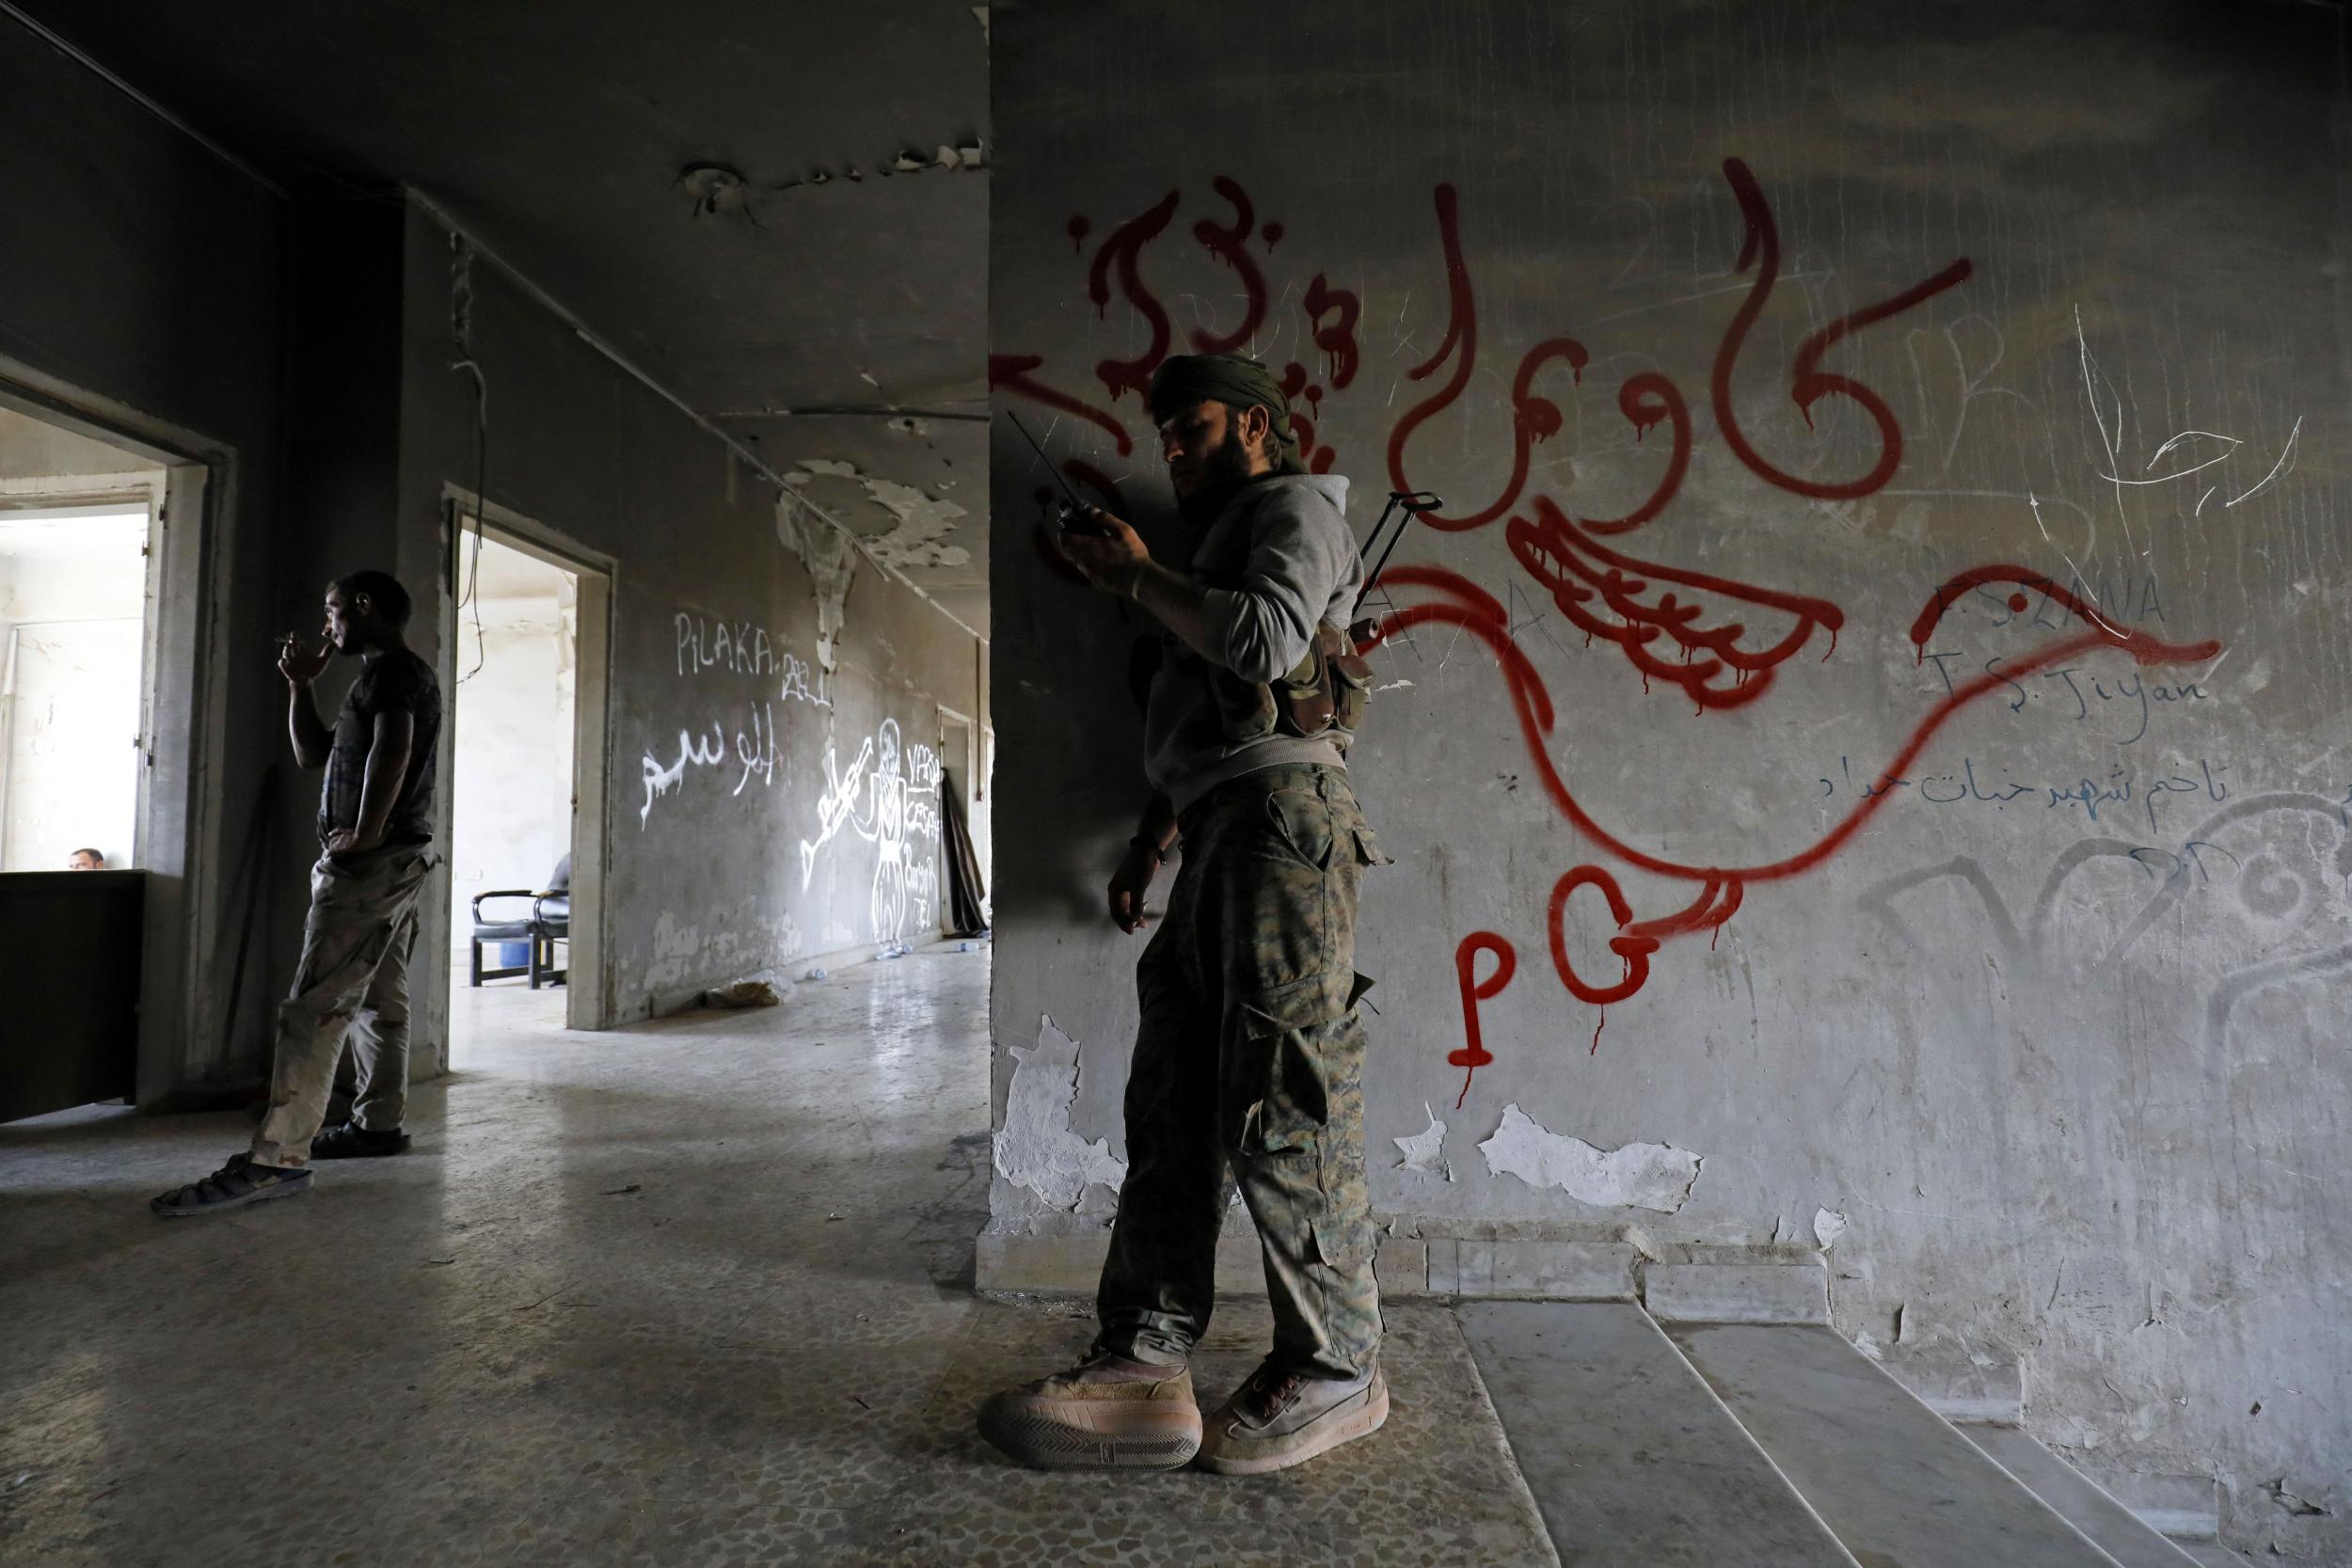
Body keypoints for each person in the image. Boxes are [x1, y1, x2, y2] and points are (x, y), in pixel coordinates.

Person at [979, 354, 1387, 1476]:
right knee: (1174, 1104)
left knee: (1279, 1093)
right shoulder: (1200, 555)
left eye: (1193, 429)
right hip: (1219, 826)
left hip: (1283, 819)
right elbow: (1205, 706)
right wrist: (1152, 841)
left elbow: (1260, 643)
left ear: (1256, 426)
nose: (1173, 449)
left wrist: (1133, 574)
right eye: (1164, 433)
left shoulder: (1296, 509)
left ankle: (1339, 1365)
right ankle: (1143, 1366)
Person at [151, 569, 443, 1215]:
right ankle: (378, 1123)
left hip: (373, 869)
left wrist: (364, 833)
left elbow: (390, 752)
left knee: (314, 1007)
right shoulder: (375, 677)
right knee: (379, 1005)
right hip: (398, 865)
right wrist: (300, 685)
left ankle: (275, 1159)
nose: (327, 623)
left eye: (334, 609)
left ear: (366, 606)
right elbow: (313, 752)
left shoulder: (395, 673)